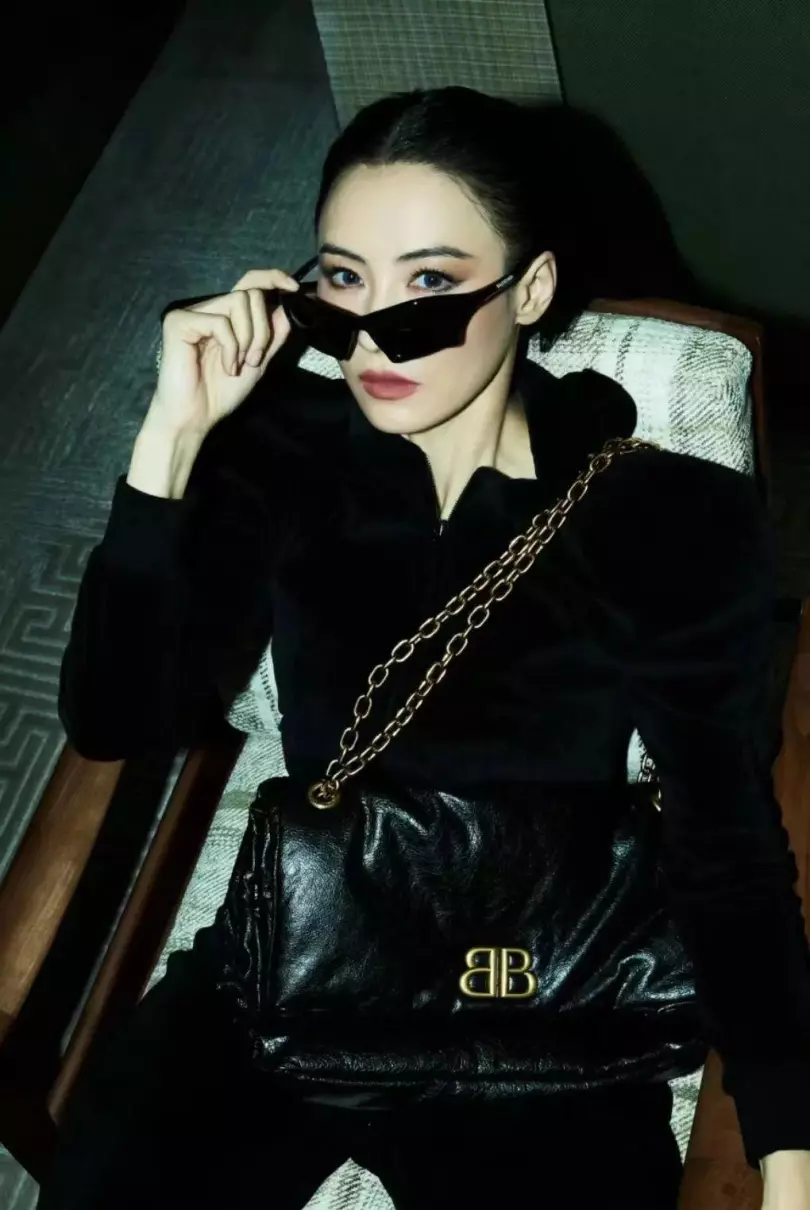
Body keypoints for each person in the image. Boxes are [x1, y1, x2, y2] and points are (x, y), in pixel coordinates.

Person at [38, 87, 810, 1210]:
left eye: (431, 285)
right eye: (343, 280)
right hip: (297, 964)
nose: (370, 336)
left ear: (530, 289)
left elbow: (725, 841)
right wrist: (171, 439)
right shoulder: (282, 454)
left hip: (539, 1010)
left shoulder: (666, 519)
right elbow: (117, 720)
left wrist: (789, 1153)